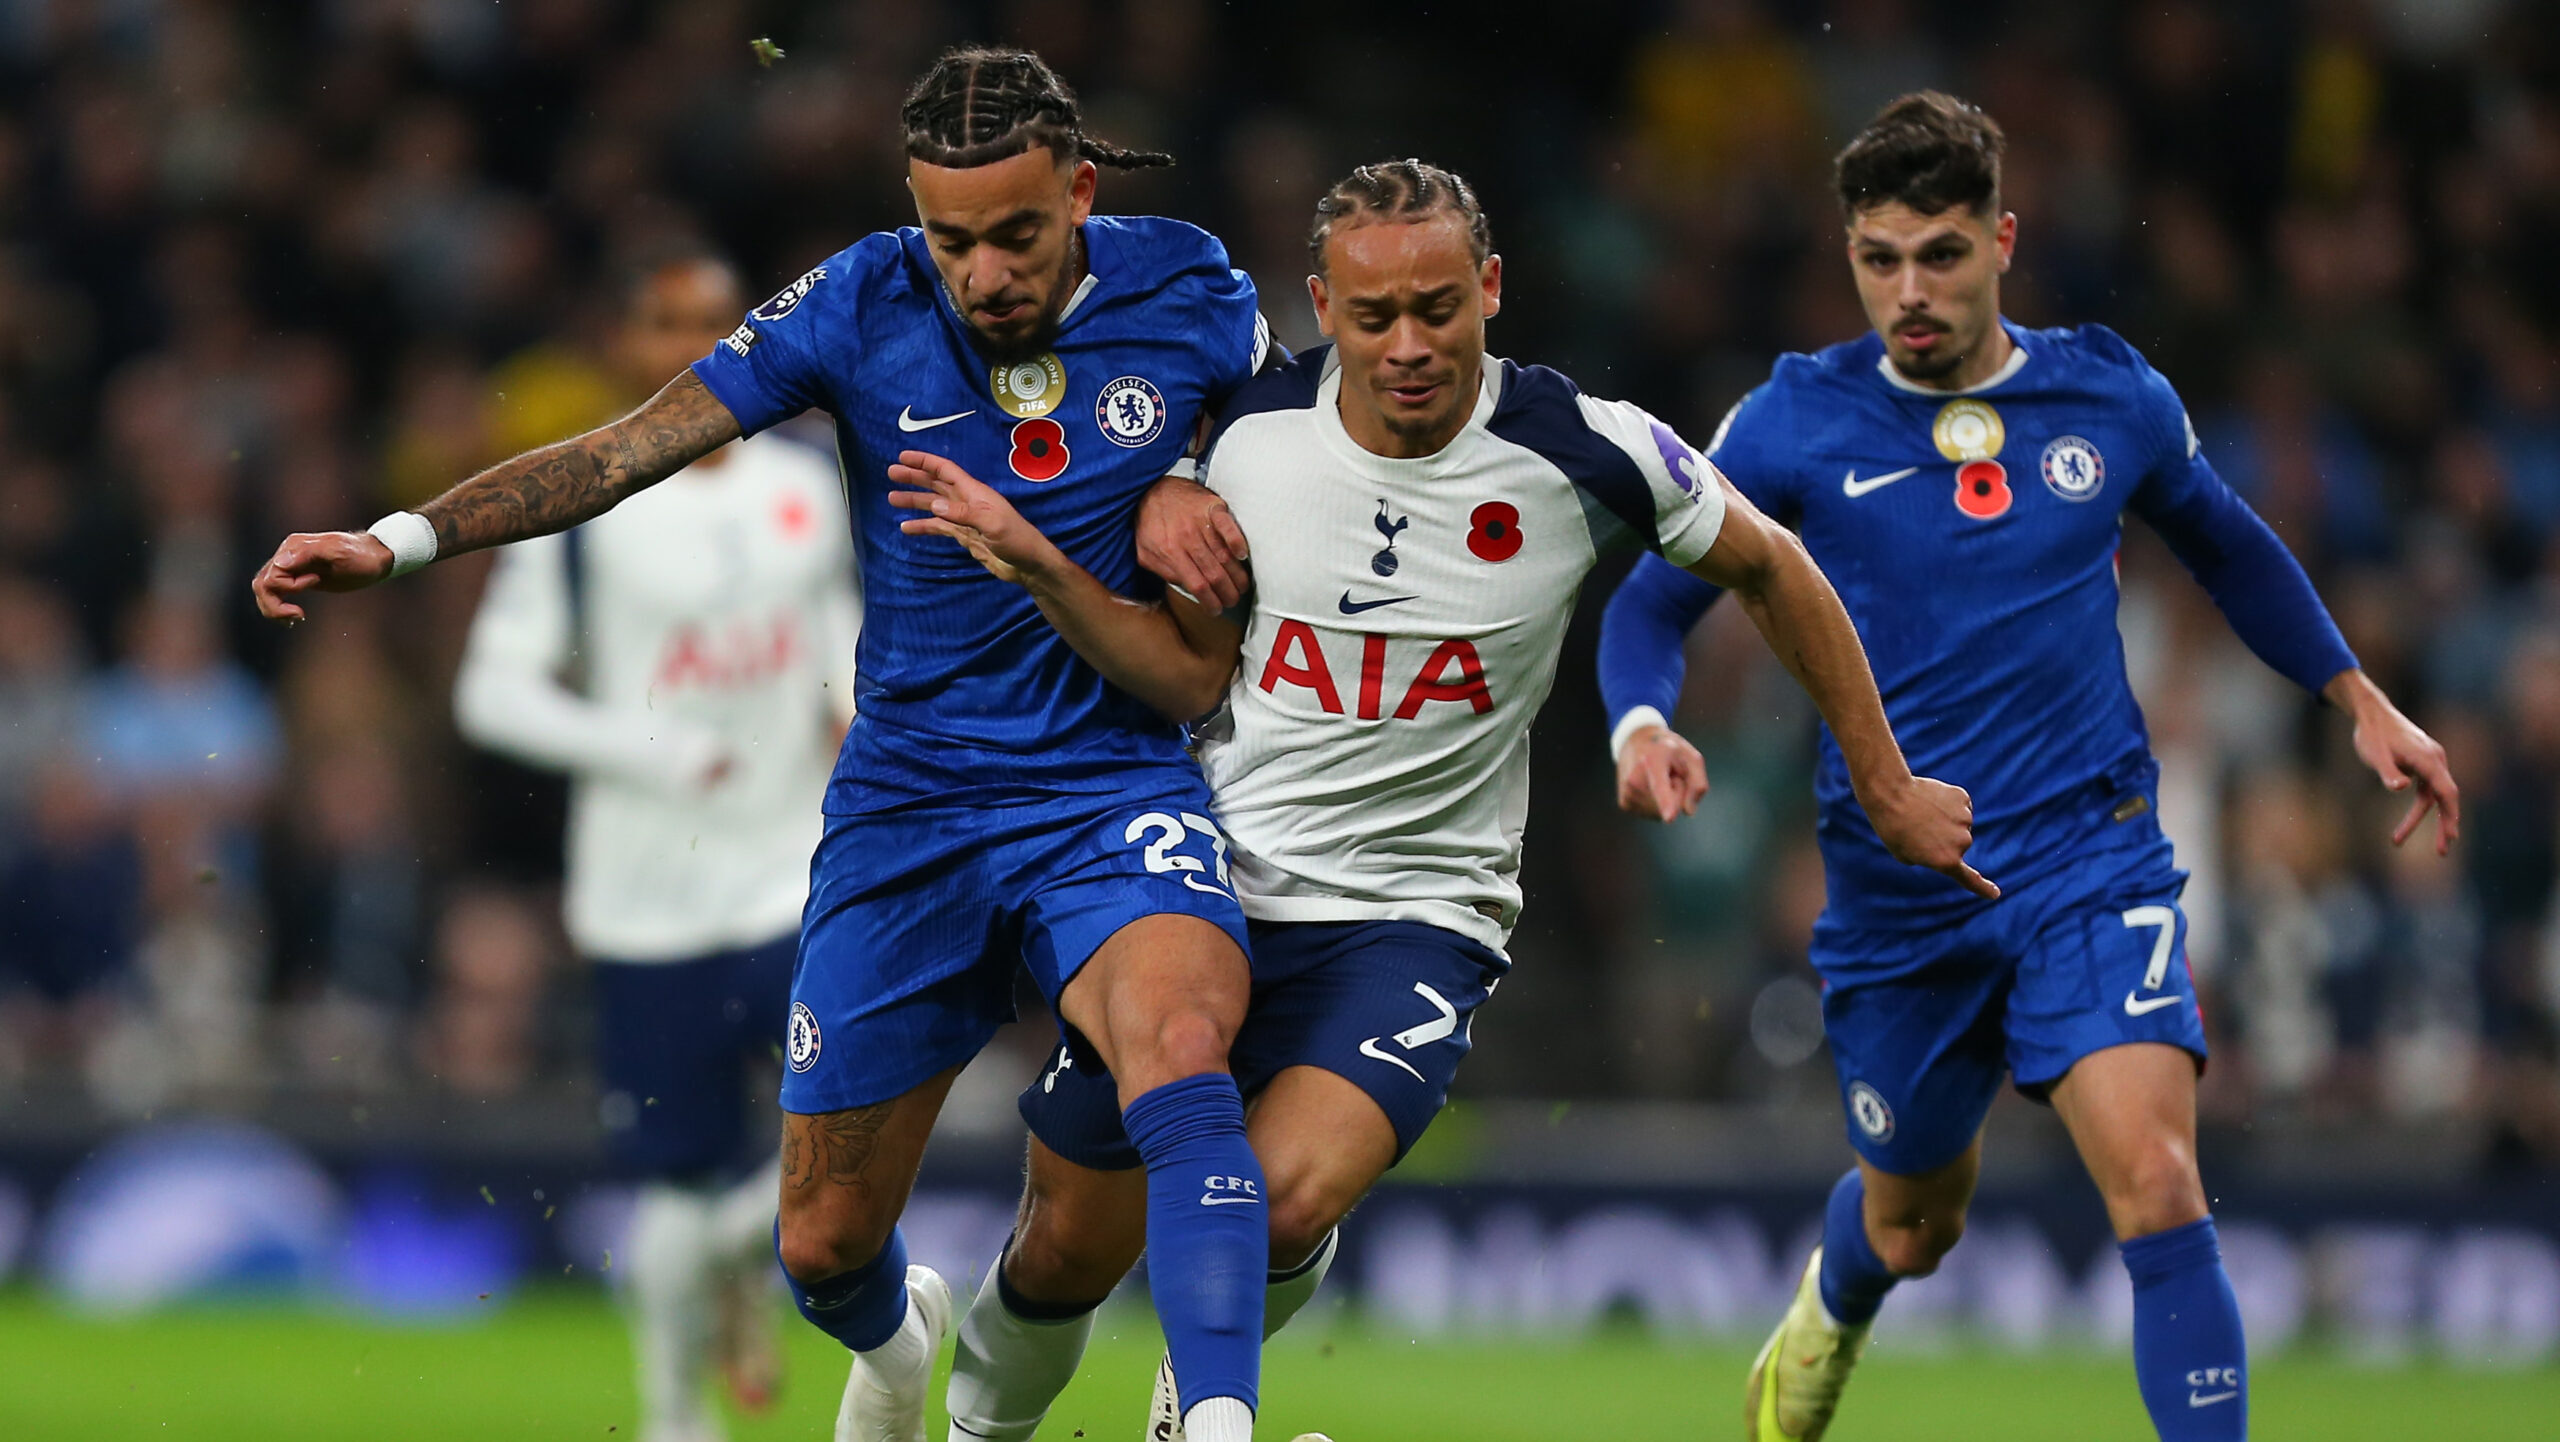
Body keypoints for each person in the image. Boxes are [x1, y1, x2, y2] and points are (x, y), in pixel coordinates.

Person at [252, 47, 1284, 1442]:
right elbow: (626, 447)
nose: (982, 272)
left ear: (1083, 192)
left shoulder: (1194, 287)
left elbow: (1295, 441)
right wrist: (399, 539)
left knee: (1183, 1044)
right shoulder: (863, 298)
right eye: (952, 237)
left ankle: (1217, 1421)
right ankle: (899, 1339)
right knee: (822, 1246)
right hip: (907, 811)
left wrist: (1190, 472)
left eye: (1019, 234)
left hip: (1107, 785)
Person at [881, 158, 1984, 1442]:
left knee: (1280, 1202)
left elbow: (1774, 564)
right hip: (1197, 889)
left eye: (1439, 308)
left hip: (1415, 919)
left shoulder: (1586, 448)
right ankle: (973, 1429)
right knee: (1065, 1246)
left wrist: (1883, 776)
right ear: (1320, 307)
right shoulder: (1234, 427)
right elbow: (1098, 496)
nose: (1408, 346)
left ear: (1491, 289)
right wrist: (1162, 488)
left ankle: (1202, 1415)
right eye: (1371, 316)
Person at [1592, 94, 2458, 1442]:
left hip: (2087, 851)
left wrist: (2356, 693)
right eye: (1879, 258)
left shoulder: (2108, 392)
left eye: (1940, 253)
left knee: (2161, 1179)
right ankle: (1840, 1290)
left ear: (2003, 238)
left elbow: (2228, 545)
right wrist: (1640, 725)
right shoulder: (1790, 422)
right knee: (1916, 1221)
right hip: (1898, 889)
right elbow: (1652, 603)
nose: (1910, 291)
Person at [451, 247, 858, 1442]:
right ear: (621, 344)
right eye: (660, 320)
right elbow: (491, 694)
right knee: (677, 1175)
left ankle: (745, 1255)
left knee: (856, 1110)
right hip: (648, 896)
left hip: (793, 874)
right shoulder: (579, 506)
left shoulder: (804, 483)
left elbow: (838, 632)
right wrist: (646, 747)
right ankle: (675, 1414)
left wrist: (855, 724)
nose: (685, 340)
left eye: (709, 320)